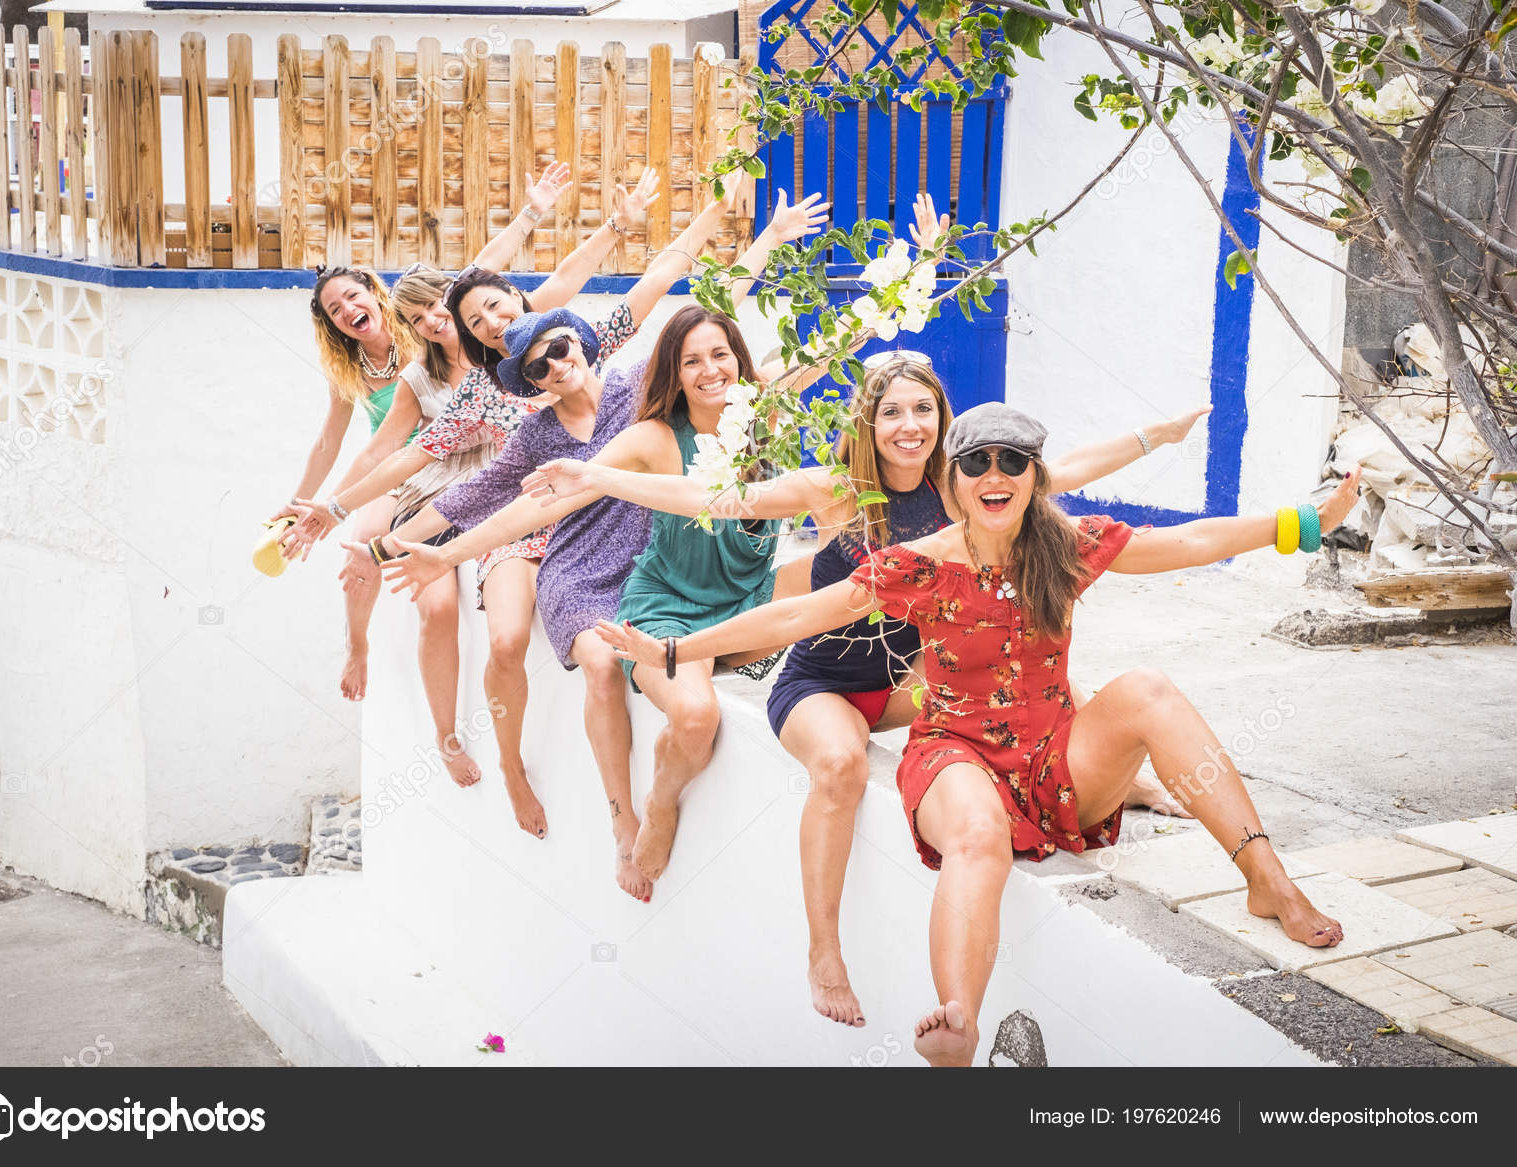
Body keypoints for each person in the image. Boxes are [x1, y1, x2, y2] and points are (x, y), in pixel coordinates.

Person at [595, 401, 1360, 1064]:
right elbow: (797, 613)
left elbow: (1193, 543)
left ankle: (1267, 879)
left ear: (1034, 475)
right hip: (954, 756)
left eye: (1013, 461)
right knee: (978, 833)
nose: (995, 474)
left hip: (1053, 759)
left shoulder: (1068, 545)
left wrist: (1303, 523)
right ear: (955, 480)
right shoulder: (919, 564)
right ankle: (959, 1017)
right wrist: (677, 650)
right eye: (977, 462)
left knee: (1148, 690)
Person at [526, 353, 1210, 1025]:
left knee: (1027, 664)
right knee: (839, 766)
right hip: (825, 682)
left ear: (941, 418)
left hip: (908, 680)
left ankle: (1128, 781)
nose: (909, 426)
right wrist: (597, 474)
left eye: (923, 410)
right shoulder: (837, 490)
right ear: (869, 423)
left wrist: (1159, 434)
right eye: (892, 413)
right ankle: (822, 948)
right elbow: (714, 499)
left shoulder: (962, 485)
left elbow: (1075, 466)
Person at [360, 189, 826, 890]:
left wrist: (768, 235)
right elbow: (477, 500)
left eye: (558, 349)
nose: (554, 365)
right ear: (528, 381)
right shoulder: (534, 435)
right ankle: (618, 815)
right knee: (602, 665)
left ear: (578, 342)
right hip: (578, 569)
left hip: (650, 561)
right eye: (536, 366)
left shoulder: (638, 389)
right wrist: (401, 547)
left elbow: (706, 314)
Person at [278, 168, 662, 813]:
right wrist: (331, 508)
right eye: (425, 318)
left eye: (445, 310)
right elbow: (397, 453)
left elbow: (593, 283)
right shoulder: (440, 383)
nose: (440, 321)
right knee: (431, 591)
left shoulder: (537, 338)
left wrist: (592, 222)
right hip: (480, 495)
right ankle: (470, 739)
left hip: (557, 495)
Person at [275, 163, 579, 708]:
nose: (349, 311)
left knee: (381, 540)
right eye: (335, 310)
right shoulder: (353, 370)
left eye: (353, 297)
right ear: (330, 325)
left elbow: (480, 274)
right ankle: (357, 643)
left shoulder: (426, 332)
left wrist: (531, 213)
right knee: (362, 543)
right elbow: (351, 445)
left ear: (375, 294)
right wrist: (309, 505)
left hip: (443, 457)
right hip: (405, 464)